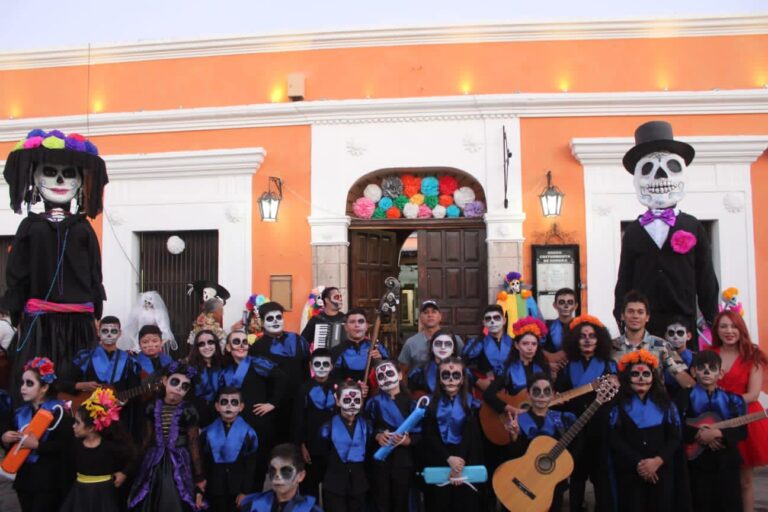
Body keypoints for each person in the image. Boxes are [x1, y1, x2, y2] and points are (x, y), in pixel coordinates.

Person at [2, 129, 108, 400]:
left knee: (80, 381)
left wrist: (94, 309)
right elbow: (17, 273)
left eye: (68, 174)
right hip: (41, 322)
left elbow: (95, 272)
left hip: (79, 321)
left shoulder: (83, 228)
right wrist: (17, 311)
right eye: (50, 172)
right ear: (37, 179)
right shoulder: (30, 226)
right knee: (37, 380)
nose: (60, 181)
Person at [608, 350, 689, 512]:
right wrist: (640, 464)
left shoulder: (666, 406)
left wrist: (657, 461)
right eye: (635, 374)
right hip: (629, 472)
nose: (641, 378)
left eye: (646, 374)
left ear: (653, 378)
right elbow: (615, 440)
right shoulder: (617, 407)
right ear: (627, 378)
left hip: (661, 471)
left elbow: (674, 439)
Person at [555, 314, 617, 512]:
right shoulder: (567, 367)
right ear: (576, 340)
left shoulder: (610, 366)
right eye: (583, 336)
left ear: (599, 340)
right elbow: (560, 399)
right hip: (575, 429)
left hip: (601, 428)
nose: (588, 339)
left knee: (601, 475)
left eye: (592, 336)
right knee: (577, 475)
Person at [709, 310, 768, 512]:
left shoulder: (752, 355)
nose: (729, 331)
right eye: (723, 326)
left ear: (741, 329)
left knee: (745, 481)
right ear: (717, 330)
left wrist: (721, 399)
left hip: (745, 419)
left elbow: (752, 394)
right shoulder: (710, 354)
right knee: (718, 481)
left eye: (733, 326)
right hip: (714, 419)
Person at [127, 362, 206, 512]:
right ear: (164, 381)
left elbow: (194, 444)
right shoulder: (151, 406)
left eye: (184, 386)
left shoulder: (189, 410)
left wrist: (199, 476)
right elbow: (145, 441)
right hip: (154, 460)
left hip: (180, 461)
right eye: (175, 382)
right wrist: (131, 468)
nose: (178, 388)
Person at [675, 350, 746, 512]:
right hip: (696, 464)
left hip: (726, 462)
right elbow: (675, 425)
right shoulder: (684, 397)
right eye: (701, 367)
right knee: (699, 502)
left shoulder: (733, 400)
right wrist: (699, 435)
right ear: (693, 371)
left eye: (712, 368)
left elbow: (742, 431)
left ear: (720, 373)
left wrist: (718, 434)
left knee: (728, 502)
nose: (707, 372)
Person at [1, 357, 74, 512]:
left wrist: (38, 446)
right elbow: (9, 443)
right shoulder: (20, 413)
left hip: (49, 480)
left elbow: (67, 446)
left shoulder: (59, 412)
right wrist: (5, 438)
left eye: (29, 383)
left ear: (44, 387)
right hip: (25, 479)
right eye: (22, 383)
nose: (23, 388)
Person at [219, 329, 288, 492]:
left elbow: (282, 378)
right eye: (236, 342)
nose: (242, 345)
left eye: (245, 342)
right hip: (234, 425)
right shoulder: (225, 369)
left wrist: (272, 403)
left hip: (258, 424)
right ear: (228, 347)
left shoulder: (257, 362)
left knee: (257, 470)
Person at [505, 373, 578, 512]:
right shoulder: (518, 420)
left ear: (553, 395)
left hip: (550, 483)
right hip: (524, 481)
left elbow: (572, 450)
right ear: (528, 394)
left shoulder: (561, 421)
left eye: (547, 391)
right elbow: (513, 457)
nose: (541, 396)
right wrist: (514, 436)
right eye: (536, 391)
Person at [421, 356, 483, 511]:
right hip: (439, 458)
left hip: (464, 461)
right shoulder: (430, 405)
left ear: (462, 379)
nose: (451, 380)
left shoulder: (471, 404)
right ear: (440, 379)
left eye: (456, 375)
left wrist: (458, 465)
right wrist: (448, 458)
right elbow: (429, 435)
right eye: (445, 375)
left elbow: (471, 437)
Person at [60, 387, 135, 512]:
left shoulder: (110, 447)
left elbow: (133, 457)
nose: (73, 426)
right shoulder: (75, 445)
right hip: (80, 495)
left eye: (78, 423)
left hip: (104, 496)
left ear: (91, 428)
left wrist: (124, 473)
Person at [250, 301, 310, 445]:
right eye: (270, 318)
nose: (276, 321)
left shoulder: (297, 340)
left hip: (298, 401)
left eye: (279, 317)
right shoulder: (257, 348)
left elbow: (306, 369)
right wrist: (271, 402)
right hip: (273, 407)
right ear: (263, 322)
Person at [365, 359, 420, 512]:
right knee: (381, 501)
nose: (386, 378)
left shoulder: (412, 403)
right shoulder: (372, 403)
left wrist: (408, 440)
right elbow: (366, 426)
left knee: (402, 502)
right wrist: (377, 436)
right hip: (380, 462)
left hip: (404, 460)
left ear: (400, 375)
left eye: (389, 373)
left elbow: (421, 432)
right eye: (381, 376)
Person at [612, 290, 694, 389]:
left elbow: (682, 377)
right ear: (622, 316)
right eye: (630, 311)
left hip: (654, 402)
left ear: (647, 317)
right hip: (622, 402)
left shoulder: (662, 345)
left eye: (640, 312)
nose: (635, 316)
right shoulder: (612, 347)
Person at [201, 387, 259, 512]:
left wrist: (245, 491)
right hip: (214, 487)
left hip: (237, 489)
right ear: (217, 406)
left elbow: (250, 465)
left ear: (241, 407)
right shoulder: (207, 432)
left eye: (234, 402)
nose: (229, 406)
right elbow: (204, 462)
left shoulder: (249, 433)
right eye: (224, 402)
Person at [318, 380, 371, 512]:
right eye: (347, 400)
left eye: (357, 401)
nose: (353, 404)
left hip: (359, 484)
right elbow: (323, 455)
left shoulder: (367, 427)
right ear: (338, 401)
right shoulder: (327, 428)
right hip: (334, 485)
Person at [292, 348, 338, 499]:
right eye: (317, 364)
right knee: (309, 488)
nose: (322, 368)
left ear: (332, 366)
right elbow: (298, 419)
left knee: (332, 488)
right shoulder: (304, 388)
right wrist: (301, 445)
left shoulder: (339, 388)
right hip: (311, 446)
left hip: (334, 445)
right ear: (311, 366)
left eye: (326, 364)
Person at [239, 443, 323, 512]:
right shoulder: (252, 506)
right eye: (273, 470)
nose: (277, 476)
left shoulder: (310, 510)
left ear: (300, 476)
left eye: (286, 471)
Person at [398, 300, 463, 375]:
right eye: (426, 312)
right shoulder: (411, 343)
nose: (430, 315)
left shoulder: (455, 340)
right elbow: (403, 372)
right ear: (420, 318)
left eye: (434, 312)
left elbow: (463, 366)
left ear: (440, 316)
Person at [331, 308, 389, 386]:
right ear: (346, 327)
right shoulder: (336, 351)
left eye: (361, 321)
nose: (357, 325)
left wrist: (380, 361)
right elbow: (333, 380)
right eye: (352, 322)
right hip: (347, 394)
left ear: (366, 326)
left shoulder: (378, 348)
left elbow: (390, 374)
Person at [462, 305, 514, 392]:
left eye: (496, 318)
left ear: (504, 320)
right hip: (486, 391)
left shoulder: (515, 343)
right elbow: (460, 364)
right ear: (484, 322)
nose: (492, 322)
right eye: (488, 319)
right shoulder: (476, 343)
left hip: (512, 392)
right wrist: (478, 381)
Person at [408, 329, 464, 396]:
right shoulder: (418, 373)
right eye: (438, 343)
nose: (443, 347)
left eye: (447, 344)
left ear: (453, 349)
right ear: (432, 347)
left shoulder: (463, 371)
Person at [187, 329, 224, 427]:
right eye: (202, 344)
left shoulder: (223, 365)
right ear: (196, 347)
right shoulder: (189, 368)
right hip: (196, 416)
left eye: (210, 342)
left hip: (219, 415)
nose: (207, 347)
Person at [542, 288, 577, 374]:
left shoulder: (581, 327)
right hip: (553, 370)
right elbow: (536, 347)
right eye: (561, 302)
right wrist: (549, 357)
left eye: (570, 302)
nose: (566, 306)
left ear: (575, 306)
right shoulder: (546, 326)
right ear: (555, 305)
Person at [663, 316, 695, 397]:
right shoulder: (658, 357)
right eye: (671, 333)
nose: (675, 337)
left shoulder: (697, 358)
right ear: (666, 336)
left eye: (680, 333)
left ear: (689, 336)